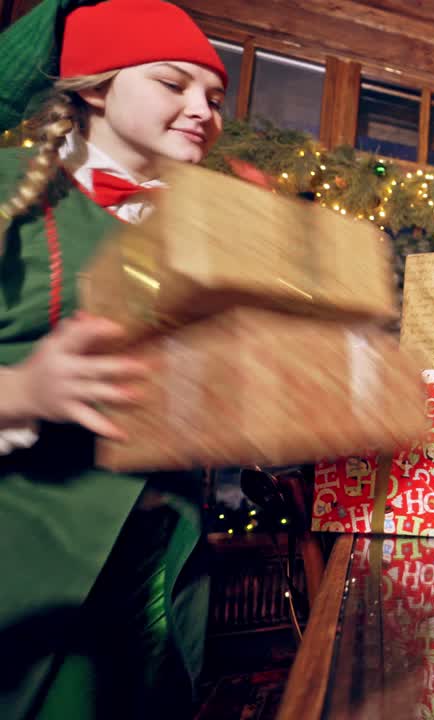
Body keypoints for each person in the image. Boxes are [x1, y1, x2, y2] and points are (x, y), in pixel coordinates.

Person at [0, 0, 227, 716]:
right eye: (173, 84)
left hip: (157, 572)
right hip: (30, 577)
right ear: (95, 87)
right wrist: (22, 390)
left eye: (215, 97)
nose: (203, 110)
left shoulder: (196, 231)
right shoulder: (12, 187)